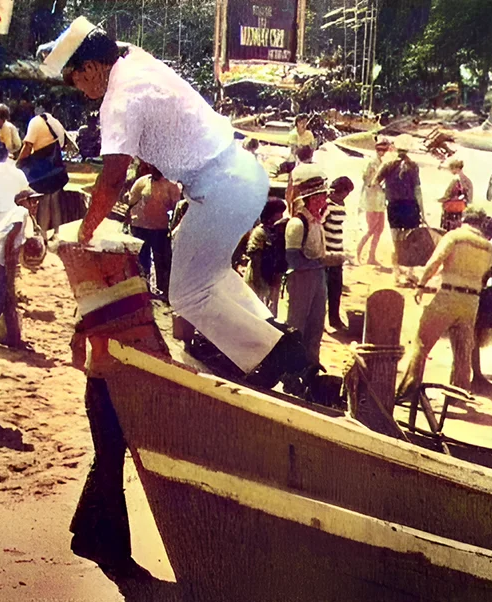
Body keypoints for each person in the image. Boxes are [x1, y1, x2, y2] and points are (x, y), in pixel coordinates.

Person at [43, 17, 311, 390]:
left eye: (78, 81)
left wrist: (87, 228)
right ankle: (274, 332)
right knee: (213, 275)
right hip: (242, 175)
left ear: (90, 67)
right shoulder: (135, 60)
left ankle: (276, 353)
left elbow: (113, 176)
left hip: (219, 186)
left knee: (184, 293)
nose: (83, 91)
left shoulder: (118, 100)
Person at [396, 208, 492, 398]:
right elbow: (485, 274)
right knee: (463, 352)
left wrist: (421, 284)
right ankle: (458, 394)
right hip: (472, 300)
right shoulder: (488, 247)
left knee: (421, 343)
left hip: (449, 294)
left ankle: (409, 390)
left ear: (464, 220)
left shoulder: (455, 236)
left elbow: (435, 262)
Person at [0, 140, 31, 347]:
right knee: (3, 289)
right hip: (10, 229)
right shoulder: (18, 173)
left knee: (3, 289)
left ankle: (9, 334)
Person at [282, 164, 329, 366]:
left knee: (317, 322)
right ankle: (291, 366)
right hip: (302, 277)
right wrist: (319, 263)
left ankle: (311, 364)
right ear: (308, 199)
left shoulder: (317, 222)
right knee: (297, 323)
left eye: (323, 196)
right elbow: (293, 259)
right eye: (318, 197)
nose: (323, 200)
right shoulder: (297, 224)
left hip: (318, 276)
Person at [127, 162, 181, 298]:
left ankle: (164, 291)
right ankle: (143, 290)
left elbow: (176, 207)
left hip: (159, 229)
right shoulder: (142, 182)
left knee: (162, 261)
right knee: (141, 260)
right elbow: (131, 200)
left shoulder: (171, 185)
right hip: (140, 227)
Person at [17, 97, 69, 238]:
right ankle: (57, 234)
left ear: (39, 107)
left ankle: (43, 235)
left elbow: (28, 146)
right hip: (57, 169)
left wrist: (18, 163)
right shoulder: (57, 123)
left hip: (43, 172)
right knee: (55, 202)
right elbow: (62, 145)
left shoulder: (36, 122)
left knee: (44, 203)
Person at [379, 134, 424, 286]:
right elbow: (417, 190)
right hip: (410, 206)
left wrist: (387, 192)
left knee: (396, 242)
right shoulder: (413, 166)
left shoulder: (388, 165)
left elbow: (374, 183)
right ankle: (410, 273)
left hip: (394, 206)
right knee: (411, 241)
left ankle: (396, 275)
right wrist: (422, 210)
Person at [243, 198, 288, 316]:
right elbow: (255, 259)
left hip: (272, 277)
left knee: (271, 310)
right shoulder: (260, 232)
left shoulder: (278, 231)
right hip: (258, 276)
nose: (281, 216)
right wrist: (260, 282)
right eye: (278, 213)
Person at [356, 135, 392, 266]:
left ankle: (372, 255)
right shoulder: (372, 163)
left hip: (380, 198)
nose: (383, 152)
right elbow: (366, 179)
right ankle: (359, 252)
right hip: (371, 197)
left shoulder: (385, 163)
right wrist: (375, 183)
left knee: (380, 228)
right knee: (371, 228)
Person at [323, 176, 353, 331]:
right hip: (327, 253)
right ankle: (322, 321)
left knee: (336, 289)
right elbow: (320, 227)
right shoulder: (327, 206)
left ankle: (334, 320)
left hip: (338, 252)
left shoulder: (340, 205)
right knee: (325, 290)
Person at [439, 158, 473, 231]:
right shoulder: (466, 179)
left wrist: (442, 199)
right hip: (464, 206)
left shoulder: (457, 179)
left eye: (451, 169)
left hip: (455, 207)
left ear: (456, 168)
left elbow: (449, 193)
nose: (450, 171)